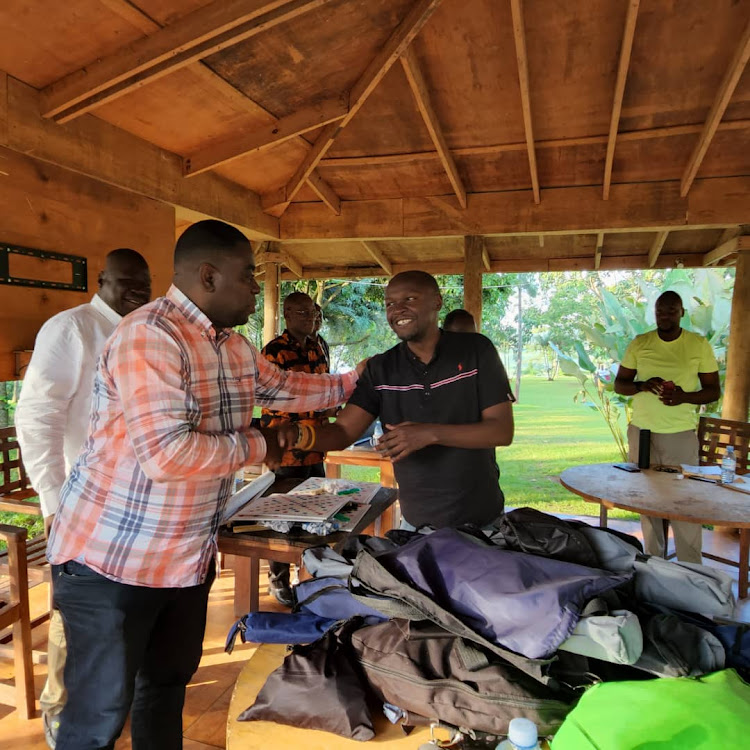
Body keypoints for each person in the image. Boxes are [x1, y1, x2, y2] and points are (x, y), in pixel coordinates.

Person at [46, 220, 362, 750]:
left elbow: (287, 386)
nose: (258, 289)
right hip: (111, 563)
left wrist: (359, 379)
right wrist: (268, 445)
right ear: (209, 276)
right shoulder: (150, 335)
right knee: (96, 718)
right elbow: (168, 455)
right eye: (249, 277)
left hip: (183, 559)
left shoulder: (232, 346)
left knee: (164, 691)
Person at [14, 248, 152, 749]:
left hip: (137, 506)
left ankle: (113, 699)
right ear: (101, 280)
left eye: (145, 282)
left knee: (125, 611)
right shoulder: (71, 329)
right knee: (76, 617)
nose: (137, 290)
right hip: (81, 504)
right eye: (126, 281)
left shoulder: (145, 331)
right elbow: (38, 417)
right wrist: (52, 500)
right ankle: (60, 710)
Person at [281, 271, 515, 530]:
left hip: (483, 523)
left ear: (437, 302)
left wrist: (428, 433)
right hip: (415, 524)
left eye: (410, 299)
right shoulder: (381, 368)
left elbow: (501, 430)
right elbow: (344, 430)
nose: (397, 310)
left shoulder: (475, 351)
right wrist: (297, 435)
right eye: (390, 303)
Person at [614, 290, 720, 562]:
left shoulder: (698, 345)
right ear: (655, 313)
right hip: (642, 433)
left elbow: (712, 391)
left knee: (685, 501)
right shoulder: (640, 343)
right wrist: (641, 385)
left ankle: (690, 568)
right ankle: (654, 563)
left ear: (682, 312)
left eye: (671, 311)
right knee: (647, 501)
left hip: (680, 435)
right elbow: (620, 384)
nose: (665, 316)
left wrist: (683, 396)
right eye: (660, 311)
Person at [259, 292, 333, 606]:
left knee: (320, 514)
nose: (310, 316)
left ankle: (315, 577)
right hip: (287, 450)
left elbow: (324, 388)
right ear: (288, 314)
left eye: (313, 310)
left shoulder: (320, 346)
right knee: (282, 517)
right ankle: (278, 580)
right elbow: (271, 398)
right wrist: (303, 428)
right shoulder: (274, 351)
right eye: (302, 311)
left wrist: (330, 411)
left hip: (316, 447)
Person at [313, 302, 330, 368]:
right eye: (315, 315)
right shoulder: (301, 343)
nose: (318, 319)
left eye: (320, 316)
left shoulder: (323, 343)